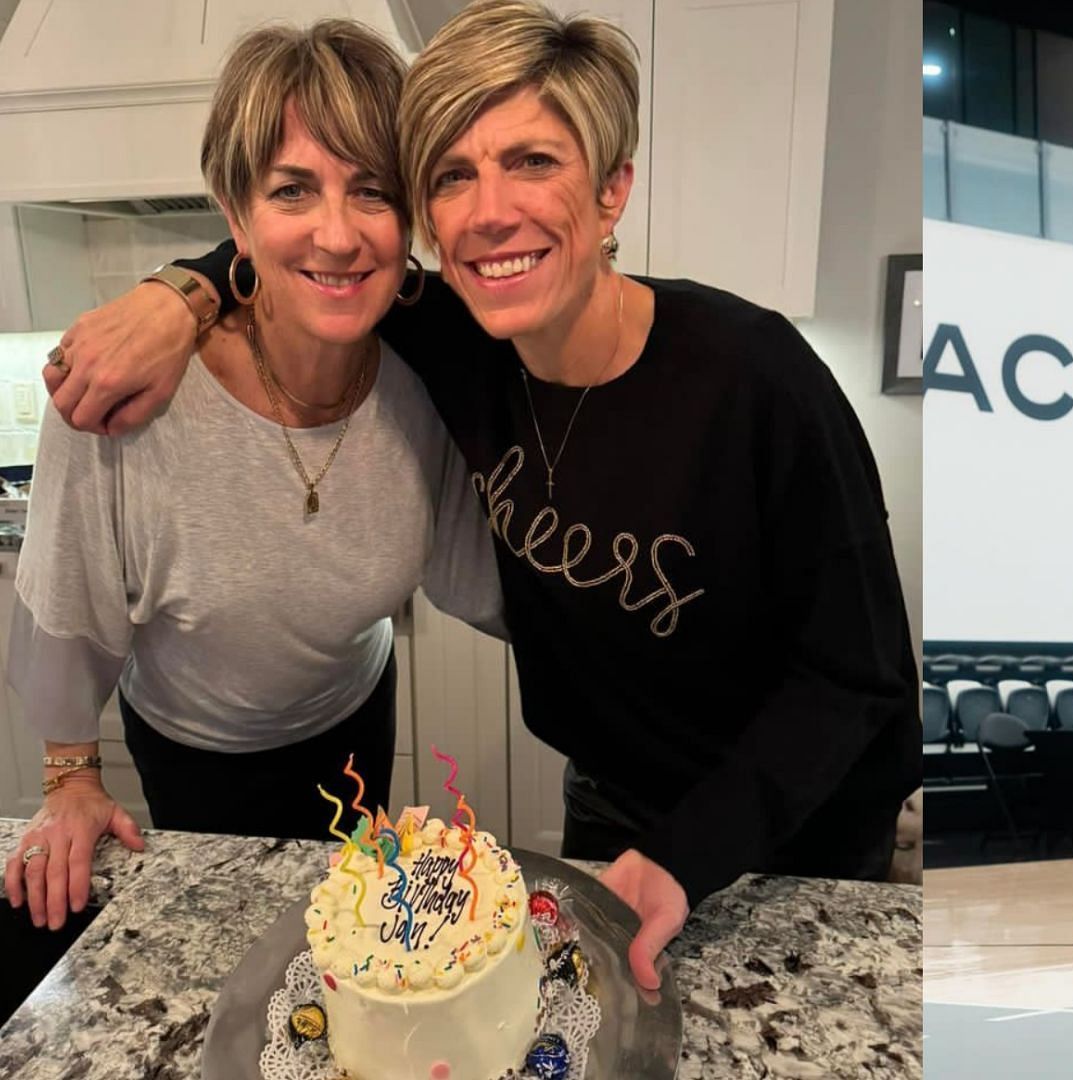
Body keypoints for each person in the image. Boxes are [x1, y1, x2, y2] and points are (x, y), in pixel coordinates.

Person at [43, 0, 919, 993]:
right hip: (613, 809)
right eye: (452, 176)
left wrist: (697, 850)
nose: (490, 210)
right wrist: (180, 295)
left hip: (799, 828)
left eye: (534, 162)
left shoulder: (757, 375)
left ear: (612, 189)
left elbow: (862, 677)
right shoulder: (457, 341)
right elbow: (309, 255)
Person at [2, 21, 501, 933]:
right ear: (236, 213)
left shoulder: (428, 385)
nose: (338, 234)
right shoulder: (124, 392)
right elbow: (66, 613)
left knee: (352, 950)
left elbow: (491, 583)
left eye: (373, 190)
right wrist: (70, 777)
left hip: (356, 714)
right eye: (292, 189)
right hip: (192, 747)